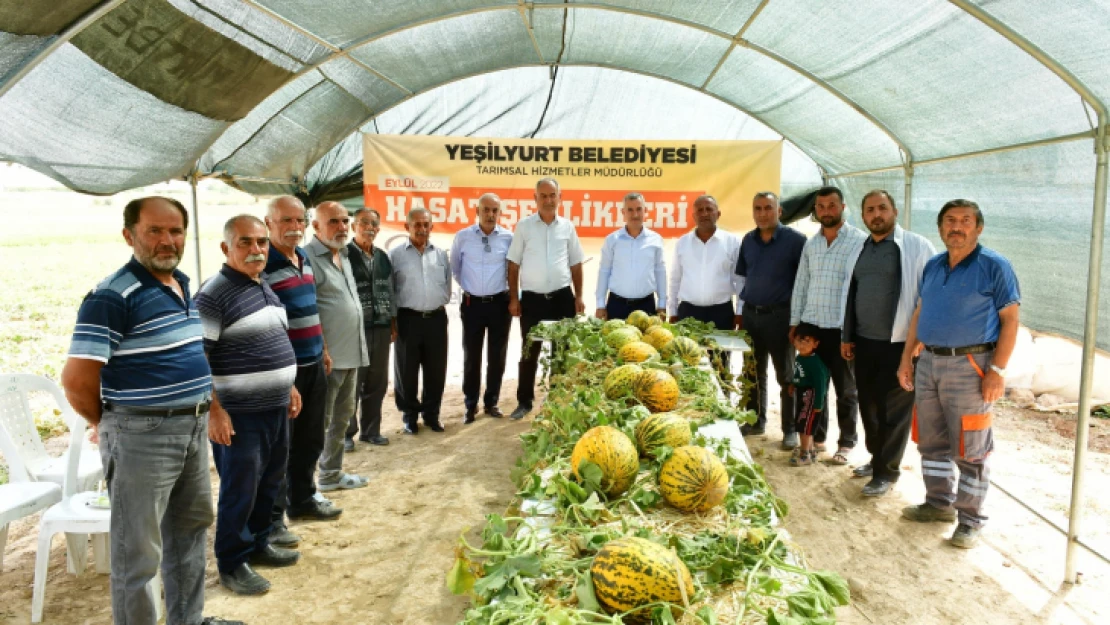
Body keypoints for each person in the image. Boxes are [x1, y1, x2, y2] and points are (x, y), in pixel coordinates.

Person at [61, 196, 241, 625]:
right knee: (137, 555)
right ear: (129, 236)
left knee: (188, 534)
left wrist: (209, 408)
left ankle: (188, 619)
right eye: (154, 231)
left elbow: (193, 355)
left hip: (191, 428)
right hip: (141, 435)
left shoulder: (179, 283)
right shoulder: (112, 296)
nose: (167, 240)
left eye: (175, 230)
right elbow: (76, 380)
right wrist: (108, 423)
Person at [897, 199, 1020, 548]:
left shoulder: (995, 266)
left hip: (971, 366)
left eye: (966, 221)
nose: (957, 226)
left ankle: (971, 519)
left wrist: (996, 370)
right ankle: (938, 503)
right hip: (930, 363)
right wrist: (907, 358)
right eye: (950, 220)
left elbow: (1010, 319)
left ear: (978, 228)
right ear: (940, 228)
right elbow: (920, 313)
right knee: (931, 441)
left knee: (971, 447)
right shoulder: (934, 266)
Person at [197, 215, 302, 596]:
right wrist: (214, 410)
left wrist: (288, 386)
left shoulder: (264, 286)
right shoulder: (215, 294)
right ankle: (232, 561)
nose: (256, 249)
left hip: (275, 407)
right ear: (226, 248)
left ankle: (258, 544)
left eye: (261, 242)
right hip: (239, 413)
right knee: (240, 489)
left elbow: (274, 341)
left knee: (269, 482)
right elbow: (198, 357)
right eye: (245, 242)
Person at [840, 190, 936, 497]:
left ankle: (887, 472)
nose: (876, 214)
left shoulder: (916, 246)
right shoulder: (859, 248)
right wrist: (847, 336)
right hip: (864, 343)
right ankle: (876, 458)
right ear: (863, 215)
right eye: (870, 210)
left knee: (894, 411)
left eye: (882, 208)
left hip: (900, 346)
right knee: (868, 406)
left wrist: (917, 343)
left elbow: (928, 297)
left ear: (894, 211)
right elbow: (850, 294)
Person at [263, 196, 340, 544]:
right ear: (269, 223)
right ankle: (274, 519)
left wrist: (322, 348)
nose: (294, 227)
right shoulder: (262, 263)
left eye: (299, 220)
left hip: (313, 364)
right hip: (285, 371)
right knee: (280, 447)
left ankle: (304, 499)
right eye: (285, 221)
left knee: (311, 439)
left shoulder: (305, 257)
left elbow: (312, 308)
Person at [789, 186, 868, 465]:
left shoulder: (859, 241)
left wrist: (856, 329)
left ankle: (846, 443)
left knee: (846, 389)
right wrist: (795, 323)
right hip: (812, 328)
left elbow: (861, 287)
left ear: (843, 207)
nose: (826, 211)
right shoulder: (812, 244)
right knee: (812, 387)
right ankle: (817, 439)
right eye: (821, 207)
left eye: (831, 206)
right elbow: (801, 284)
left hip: (842, 329)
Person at [507, 177, 586, 420]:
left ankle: (557, 400)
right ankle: (524, 402)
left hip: (563, 297)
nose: (549, 200)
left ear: (560, 198)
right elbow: (513, 264)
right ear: (535, 199)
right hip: (532, 299)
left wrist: (579, 296)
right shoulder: (524, 226)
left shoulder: (568, 227)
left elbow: (576, 264)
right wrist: (513, 298)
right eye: (544, 196)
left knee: (561, 352)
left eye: (553, 195)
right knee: (529, 351)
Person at [306, 201, 370, 491]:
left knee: (341, 421)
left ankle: (331, 475)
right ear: (315, 226)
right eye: (333, 221)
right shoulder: (306, 259)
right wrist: (323, 349)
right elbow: (306, 312)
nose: (342, 227)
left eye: (345, 221)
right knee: (318, 424)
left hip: (351, 354)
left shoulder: (342, 254)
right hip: (327, 358)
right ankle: (305, 488)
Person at [735, 191, 806, 448]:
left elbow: (804, 282)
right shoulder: (748, 241)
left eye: (768, 208)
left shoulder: (796, 241)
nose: (762, 213)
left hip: (781, 318)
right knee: (752, 372)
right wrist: (741, 313)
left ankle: (790, 429)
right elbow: (744, 278)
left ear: (779, 212)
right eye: (758, 208)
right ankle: (756, 421)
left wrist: (798, 322)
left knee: (786, 376)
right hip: (752, 316)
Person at [450, 193, 513, 423]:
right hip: (472, 305)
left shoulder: (508, 237)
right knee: (471, 356)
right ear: (477, 212)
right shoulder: (463, 237)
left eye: (495, 210)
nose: (490, 214)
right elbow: (456, 269)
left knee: (497, 356)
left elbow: (514, 270)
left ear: (500, 213)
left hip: (500, 304)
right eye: (486, 209)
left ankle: (491, 402)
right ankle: (470, 404)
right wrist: (472, 288)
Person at [391, 208, 452, 433]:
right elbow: (391, 289)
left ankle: (431, 415)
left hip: (436, 318)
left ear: (431, 227)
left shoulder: (440, 254)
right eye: (417, 225)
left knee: (436, 370)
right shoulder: (396, 255)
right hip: (408, 319)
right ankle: (409, 417)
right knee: (406, 370)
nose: (422, 229)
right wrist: (393, 321)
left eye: (426, 225)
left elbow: (447, 285)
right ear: (407, 227)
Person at [344, 208, 395, 448]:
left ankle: (371, 431)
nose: (370, 227)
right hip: (355, 329)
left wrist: (393, 322)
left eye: (374, 223)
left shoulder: (383, 257)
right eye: (364, 222)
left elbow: (391, 290)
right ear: (354, 226)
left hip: (382, 327)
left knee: (378, 381)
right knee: (352, 383)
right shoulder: (343, 255)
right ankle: (345, 434)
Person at [595, 192, 667, 321]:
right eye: (630, 210)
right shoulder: (612, 240)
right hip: (617, 305)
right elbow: (604, 271)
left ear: (645, 211)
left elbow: (659, 271)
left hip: (646, 306)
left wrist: (662, 304)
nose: (635, 214)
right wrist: (600, 304)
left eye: (639, 209)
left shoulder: (656, 240)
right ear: (623, 213)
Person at [786, 323, 829, 467]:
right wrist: (793, 384)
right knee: (802, 423)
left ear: (815, 344)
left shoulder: (815, 363)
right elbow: (798, 374)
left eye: (807, 341)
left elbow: (821, 385)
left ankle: (805, 455)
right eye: (799, 340)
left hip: (810, 396)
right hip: (801, 394)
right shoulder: (800, 358)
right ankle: (809, 451)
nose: (802, 345)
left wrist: (818, 404)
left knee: (805, 426)